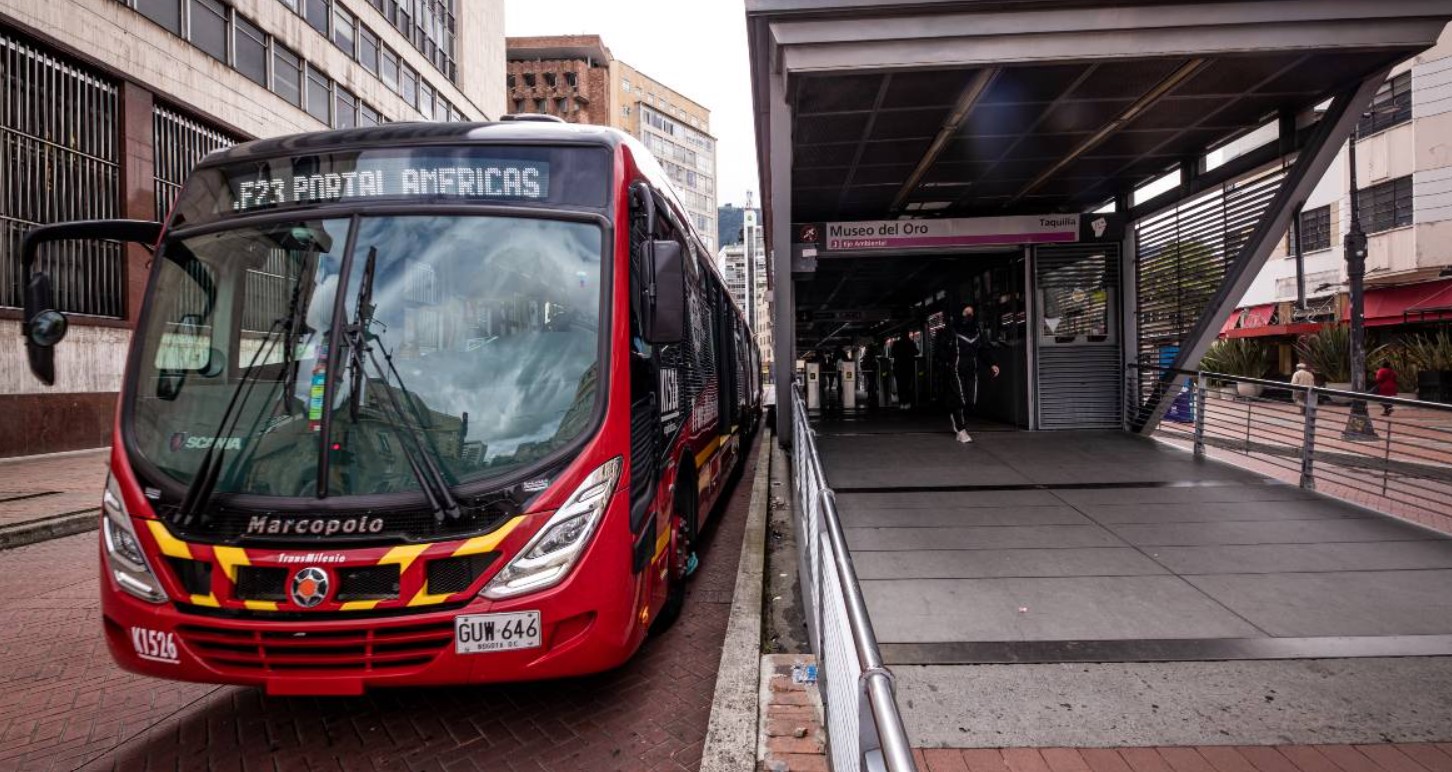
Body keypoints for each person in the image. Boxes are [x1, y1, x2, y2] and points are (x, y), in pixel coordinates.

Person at [938, 304, 1000, 443]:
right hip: (955, 369)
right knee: (959, 399)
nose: (968, 315)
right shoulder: (951, 330)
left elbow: (983, 348)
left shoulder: (977, 331)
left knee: (971, 401)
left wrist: (992, 363)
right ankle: (961, 430)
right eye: (965, 312)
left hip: (971, 369)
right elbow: (941, 348)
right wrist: (946, 362)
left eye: (971, 313)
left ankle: (956, 418)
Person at [889, 332, 919, 410]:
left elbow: (892, 353)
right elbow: (916, 352)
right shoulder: (910, 343)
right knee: (908, 386)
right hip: (908, 367)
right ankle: (907, 402)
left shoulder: (896, 344)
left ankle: (901, 403)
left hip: (899, 368)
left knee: (900, 386)